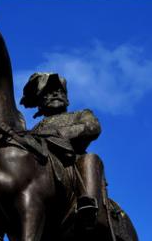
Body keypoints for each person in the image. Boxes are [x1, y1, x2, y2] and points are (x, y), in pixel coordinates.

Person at [20, 72, 106, 228]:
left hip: (72, 163)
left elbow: (93, 127)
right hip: (43, 170)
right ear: (40, 101)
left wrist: (62, 133)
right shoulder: (34, 130)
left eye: (59, 91)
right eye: (48, 92)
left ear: (66, 97)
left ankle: (88, 204)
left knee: (90, 159)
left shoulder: (81, 114)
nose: (55, 94)